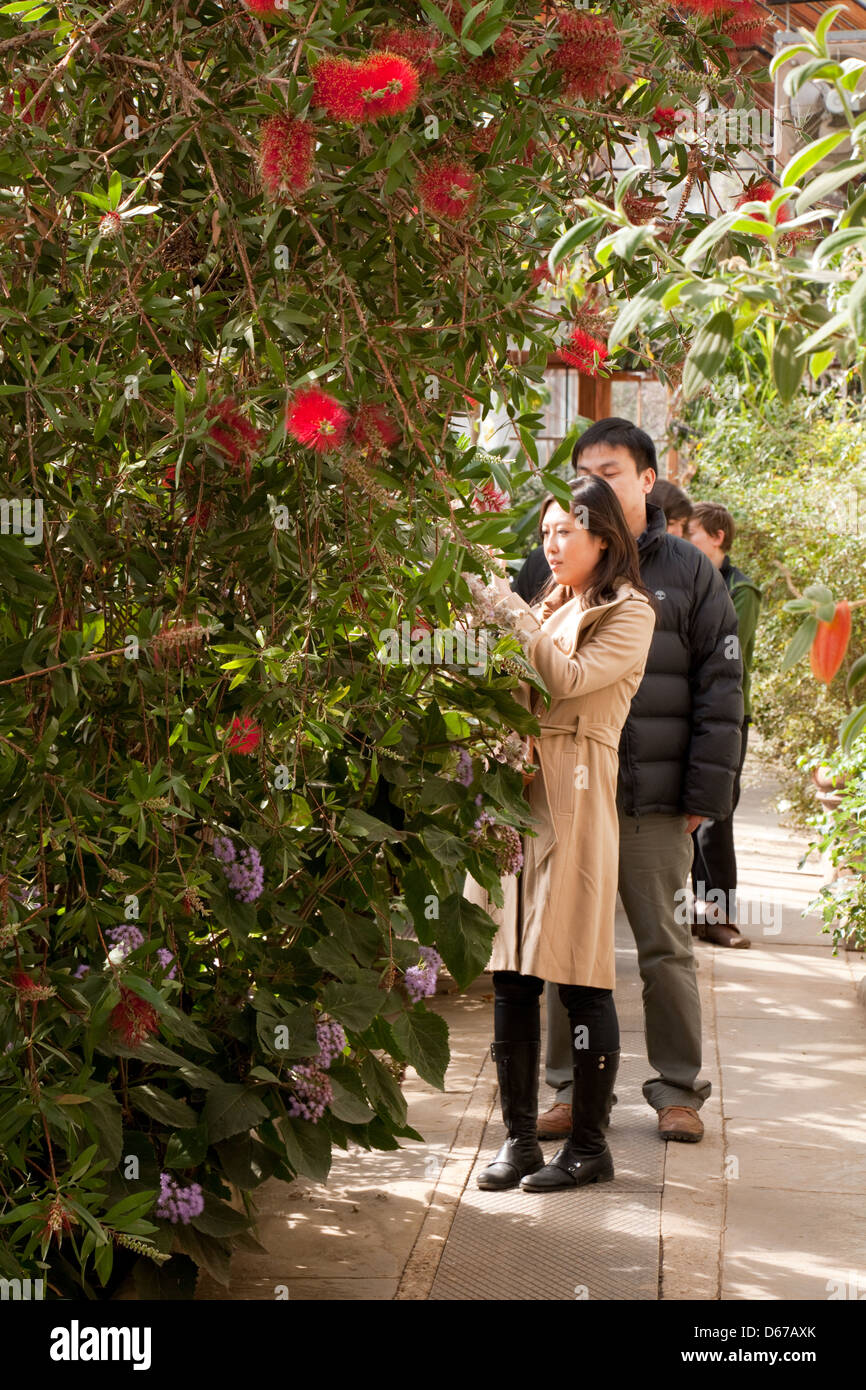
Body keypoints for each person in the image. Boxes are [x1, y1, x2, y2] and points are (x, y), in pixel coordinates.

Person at [517, 418, 743, 1145]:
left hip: (654, 796)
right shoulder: (551, 564)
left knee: (665, 946)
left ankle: (677, 1090)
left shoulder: (689, 571)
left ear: (648, 480)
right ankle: (564, 1087)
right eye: (583, 472)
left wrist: (706, 797)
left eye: (610, 472)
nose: (593, 485)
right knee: (559, 942)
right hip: (571, 788)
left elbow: (723, 688)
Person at [463, 474, 655, 1191]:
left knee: (580, 976)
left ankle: (590, 1146)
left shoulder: (631, 613)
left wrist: (508, 615)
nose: (550, 543)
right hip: (514, 792)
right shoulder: (548, 602)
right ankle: (519, 1142)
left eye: (564, 531)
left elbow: (569, 682)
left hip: (574, 787)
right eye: (544, 531)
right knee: (510, 976)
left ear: (603, 538)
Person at [685, 501, 762, 949]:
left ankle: (722, 916)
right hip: (687, 709)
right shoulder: (692, 579)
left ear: (716, 537)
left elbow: (725, 646)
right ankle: (695, 911)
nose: (685, 544)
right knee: (688, 815)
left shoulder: (741, 589)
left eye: (692, 535)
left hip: (727, 713)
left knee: (717, 814)